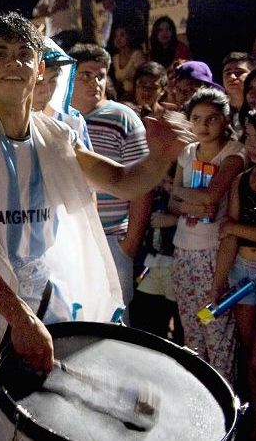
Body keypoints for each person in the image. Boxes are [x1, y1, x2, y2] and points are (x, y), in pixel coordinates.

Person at [0, 12, 192, 439]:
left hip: (43, 314)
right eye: (0, 54)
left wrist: (159, 157)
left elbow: (120, 181)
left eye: (24, 54)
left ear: (40, 68)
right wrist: (19, 318)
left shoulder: (54, 135)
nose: (13, 64)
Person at [168, 88, 245, 385]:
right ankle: (199, 400)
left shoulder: (234, 153)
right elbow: (175, 201)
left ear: (224, 119)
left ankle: (227, 408)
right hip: (183, 249)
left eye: (211, 118)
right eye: (197, 119)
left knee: (217, 328)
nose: (203, 125)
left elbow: (212, 197)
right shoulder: (188, 152)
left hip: (214, 253)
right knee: (193, 329)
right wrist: (194, 200)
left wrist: (188, 196)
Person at [69, 43, 152, 321]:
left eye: (100, 75)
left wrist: (129, 245)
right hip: (70, 243)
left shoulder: (123, 117)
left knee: (116, 325)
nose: (95, 82)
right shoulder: (59, 118)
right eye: (85, 75)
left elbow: (142, 185)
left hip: (112, 241)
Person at [211, 104, 256, 441]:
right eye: (247, 137)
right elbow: (228, 240)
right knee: (248, 354)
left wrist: (237, 228)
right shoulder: (241, 181)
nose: (249, 145)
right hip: (243, 274)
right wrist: (217, 285)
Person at [32, 37, 93, 150]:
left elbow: (88, 165)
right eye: (38, 82)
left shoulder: (72, 121)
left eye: (52, 80)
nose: (47, 90)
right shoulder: (8, 122)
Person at [221, 52, 255, 138]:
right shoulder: (217, 109)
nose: (232, 77)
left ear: (253, 76)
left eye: (239, 72)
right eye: (227, 73)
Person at [110, 24, 146, 101]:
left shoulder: (137, 55)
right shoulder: (115, 58)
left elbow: (142, 78)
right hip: (123, 96)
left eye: (122, 35)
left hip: (138, 95)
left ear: (130, 37)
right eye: (116, 36)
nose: (118, 39)